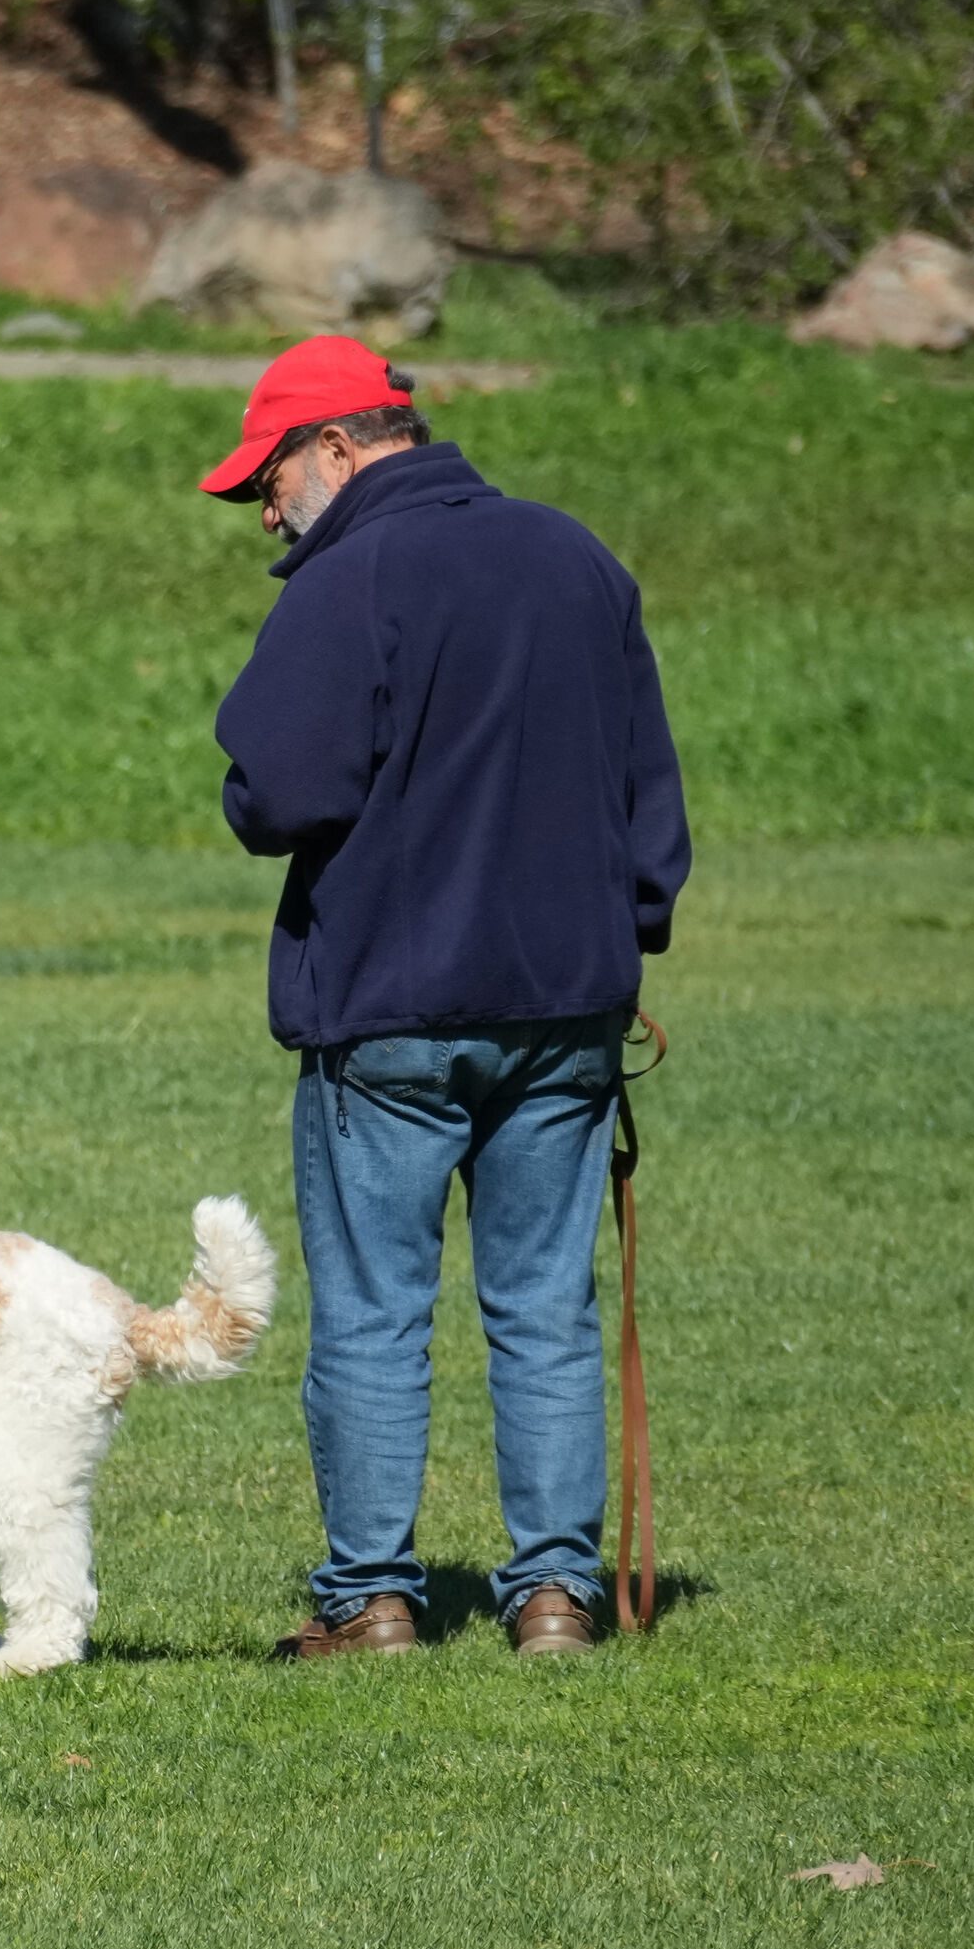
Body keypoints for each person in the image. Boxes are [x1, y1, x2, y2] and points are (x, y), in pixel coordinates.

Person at [206, 335, 689, 1661]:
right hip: (568, 1007)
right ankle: (555, 1599)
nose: (267, 512)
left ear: (340, 448)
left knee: (374, 1315)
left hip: (392, 1011)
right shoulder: (579, 559)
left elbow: (278, 793)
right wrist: (628, 933)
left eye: (269, 479)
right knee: (545, 1310)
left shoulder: (349, 575)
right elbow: (647, 787)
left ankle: (370, 1600)